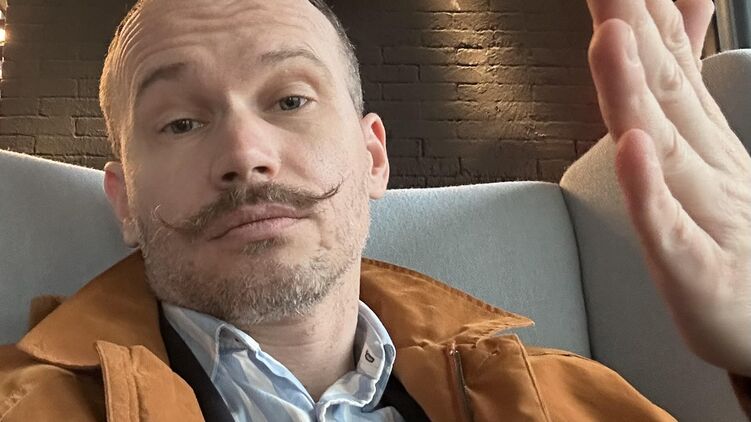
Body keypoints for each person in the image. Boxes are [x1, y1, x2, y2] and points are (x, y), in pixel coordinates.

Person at [0, 0, 749, 420]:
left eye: (290, 101)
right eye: (181, 122)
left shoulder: (564, 402)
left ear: (374, 158)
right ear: (126, 202)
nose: (245, 155)